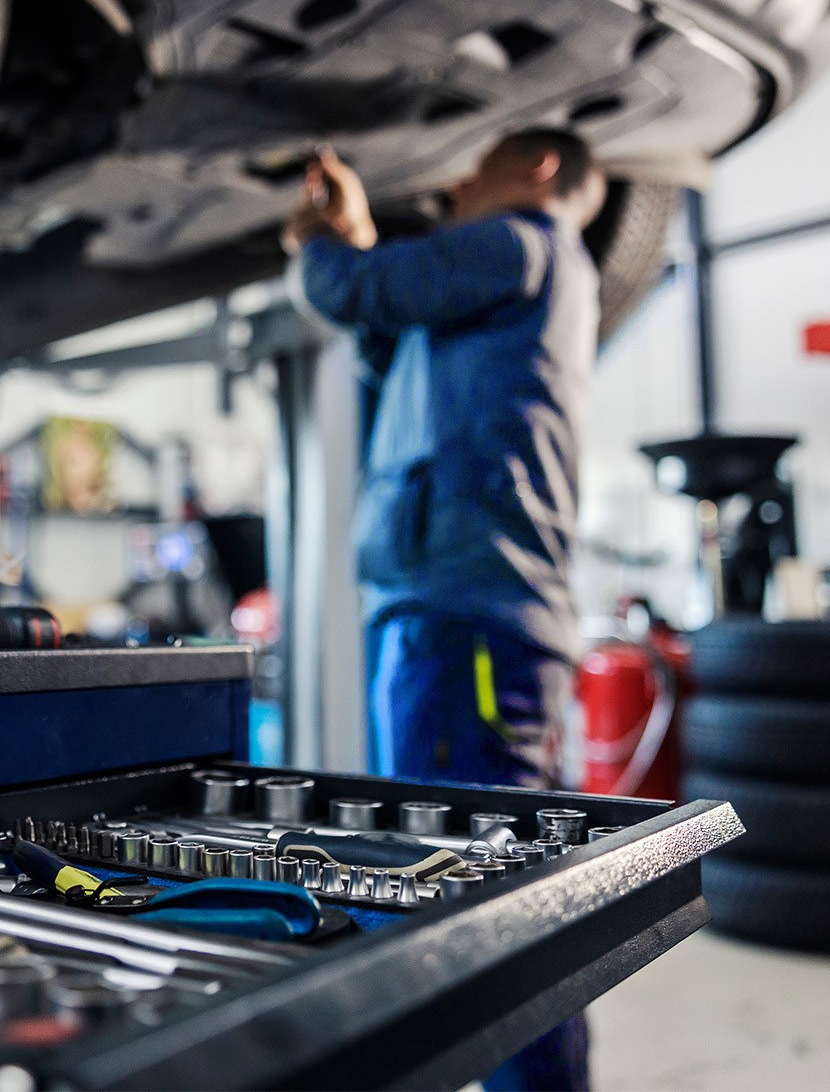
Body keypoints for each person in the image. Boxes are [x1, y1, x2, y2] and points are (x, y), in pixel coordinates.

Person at [283, 129, 607, 1091]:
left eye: (481, 164)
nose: (459, 183)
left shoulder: (522, 241)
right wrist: (356, 246)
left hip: (470, 620)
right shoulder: (504, 283)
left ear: (540, 170)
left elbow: (357, 290)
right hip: (453, 616)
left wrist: (325, 246)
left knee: (477, 898)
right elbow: (384, 328)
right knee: (454, 884)